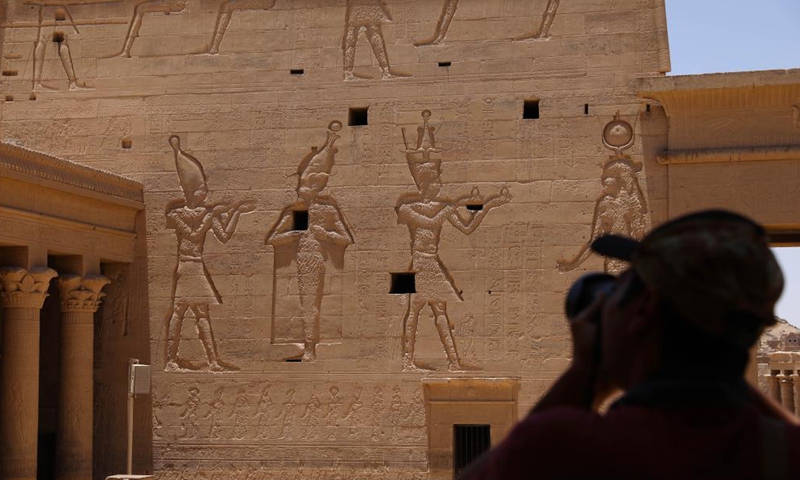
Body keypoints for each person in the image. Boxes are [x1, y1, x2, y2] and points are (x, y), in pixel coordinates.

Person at [459, 210, 800, 480]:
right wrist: (721, 369)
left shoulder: (560, 447)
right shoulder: (782, 454)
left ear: (645, 308)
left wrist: (583, 374)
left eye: (620, 286)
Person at [397, 110, 510, 371]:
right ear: (425, 183)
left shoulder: (443, 207)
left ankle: (452, 362)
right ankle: (408, 361)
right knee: (415, 310)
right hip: (418, 264)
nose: (439, 183)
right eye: (435, 180)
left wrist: (487, 206)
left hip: (431, 262)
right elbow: (428, 223)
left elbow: (467, 229)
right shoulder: (408, 207)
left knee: (438, 311)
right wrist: (452, 206)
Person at [164, 135, 254, 372]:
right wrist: (211, 215)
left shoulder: (206, 213)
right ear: (191, 190)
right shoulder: (177, 214)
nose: (206, 192)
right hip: (186, 266)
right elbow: (193, 235)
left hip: (197, 266)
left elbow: (224, 236)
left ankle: (213, 361)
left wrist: (236, 211)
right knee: (178, 312)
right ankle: (171, 360)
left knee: (202, 314)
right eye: (202, 188)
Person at [266, 121, 354, 362]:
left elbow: (345, 239)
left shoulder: (327, 211)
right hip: (302, 260)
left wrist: (326, 235)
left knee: (311, 303)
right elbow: (273, 239)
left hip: (316, 260)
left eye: (305, 184)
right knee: (306, 303)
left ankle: (310, 347)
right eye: (300, 184)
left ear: (315, 186)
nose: (300, 188)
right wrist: (293, 235)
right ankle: (307, 346)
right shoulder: (294, 212)